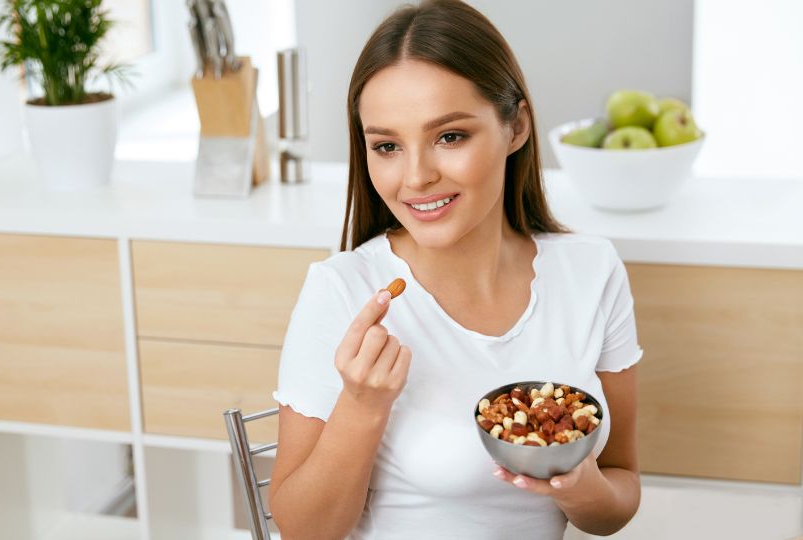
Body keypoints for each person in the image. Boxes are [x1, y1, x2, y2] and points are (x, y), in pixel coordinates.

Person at [268, 1, 642, 538]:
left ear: (516, 127)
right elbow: (303, 531)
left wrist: (579, 488)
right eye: (388, 146)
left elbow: (620, 488)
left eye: (449, 136)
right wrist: (362, 405)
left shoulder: (591, 272)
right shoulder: (342, 291)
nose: (416, 176)